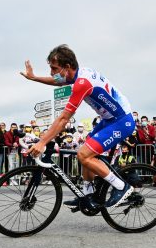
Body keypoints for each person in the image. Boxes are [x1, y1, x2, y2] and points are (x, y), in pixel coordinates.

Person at [22, 44, 135, 210]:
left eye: (54, 68)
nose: (52, 73)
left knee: (84, 155)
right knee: (85, 150)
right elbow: (58, 81)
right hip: (109, 119)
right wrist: (34, 78)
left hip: (122, 120)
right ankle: (88, 194)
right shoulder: (78, 74)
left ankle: (121, 187)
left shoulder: (82, 83)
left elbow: (63, 119)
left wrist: (42, 142)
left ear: (67, 67)